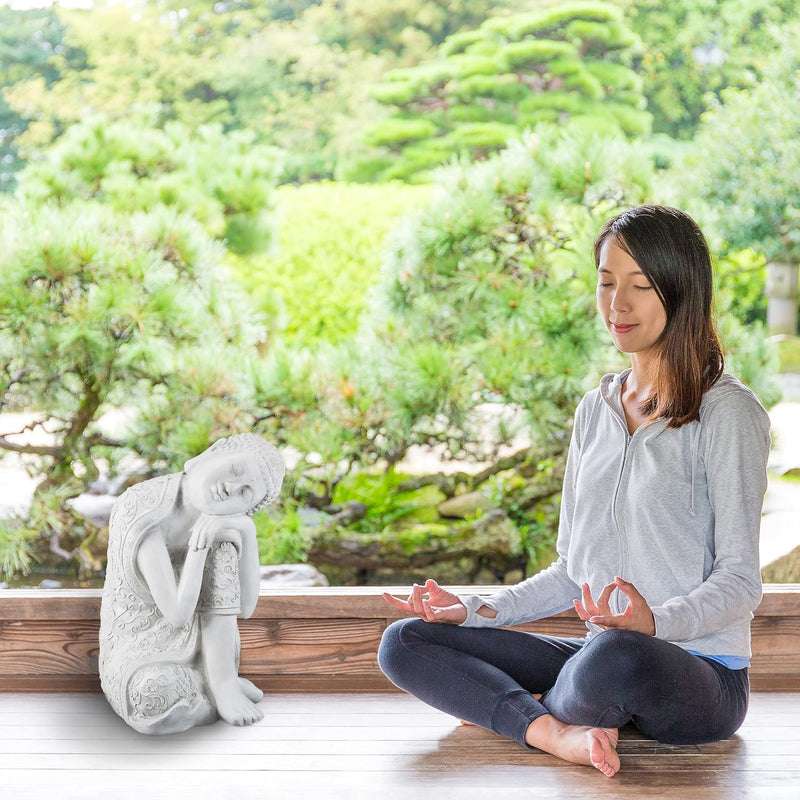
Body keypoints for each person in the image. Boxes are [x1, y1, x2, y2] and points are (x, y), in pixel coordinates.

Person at [378, 205, 771, 778]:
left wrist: (654, 623)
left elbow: (740, 581)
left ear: (682, 291)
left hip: (697, 671)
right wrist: (471, 610)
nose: (618, 304)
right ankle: (554, 730)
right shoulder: (597, 410)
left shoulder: (728, 413)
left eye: (640, 286)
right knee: (406, 641)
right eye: (607, 283)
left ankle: (512, 708)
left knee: (616, 656)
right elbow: (570, 571)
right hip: (596, 658)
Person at [99, 433, 284, 735]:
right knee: (149, 696)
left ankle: (222, 682)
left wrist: (246, 531)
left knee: (223, 545)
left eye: (245, 494)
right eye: (236, 471)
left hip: (207, 641)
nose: (232, 488)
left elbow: (247, 608)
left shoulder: (220, 521)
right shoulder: (141, 508)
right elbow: (177, 614)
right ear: (210, 453)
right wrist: (198, 549)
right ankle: (210, 685)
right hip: (140, 646)